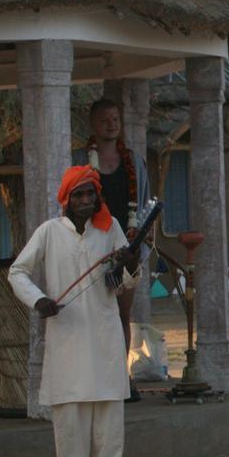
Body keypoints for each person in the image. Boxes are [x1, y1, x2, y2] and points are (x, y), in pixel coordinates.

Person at [8, 166, 139, 457]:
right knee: (69, 420)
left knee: (109, 417)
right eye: (78, 195)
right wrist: (39, 300)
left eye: (90, 194)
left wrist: (130, 260)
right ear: (66, 200)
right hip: (66, 338)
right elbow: (17, 271)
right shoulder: (49, 232)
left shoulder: (111, 231)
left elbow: (128, 281)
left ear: (98, 198)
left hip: (105, 336)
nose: (85, 200)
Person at [75, 97, 151, 402]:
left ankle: (121, 378)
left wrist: (138, 245)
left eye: (116, 118)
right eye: (105, 118)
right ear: (93, 123)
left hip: (127, 250)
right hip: (93, 249)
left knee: (122, 315)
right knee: (93, 315)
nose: (112, 123)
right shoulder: (80, 162)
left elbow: (144, 205)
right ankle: (94, 378)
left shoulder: (134, 163)